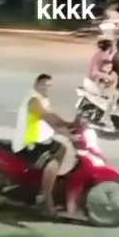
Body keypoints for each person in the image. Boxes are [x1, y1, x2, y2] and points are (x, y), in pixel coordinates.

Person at [12, 73, 73, 216]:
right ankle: (46, 201)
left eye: (50, 86)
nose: (47, 88)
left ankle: (46, 188)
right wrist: (68, 123)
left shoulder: (43, 100)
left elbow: (52, 123)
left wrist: (71, 133)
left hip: (40, 141)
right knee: (53, 160)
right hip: (28, 144)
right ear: (36, 85)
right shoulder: (33, 100)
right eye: (44, 85)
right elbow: (47, 116)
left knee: (62, 148)